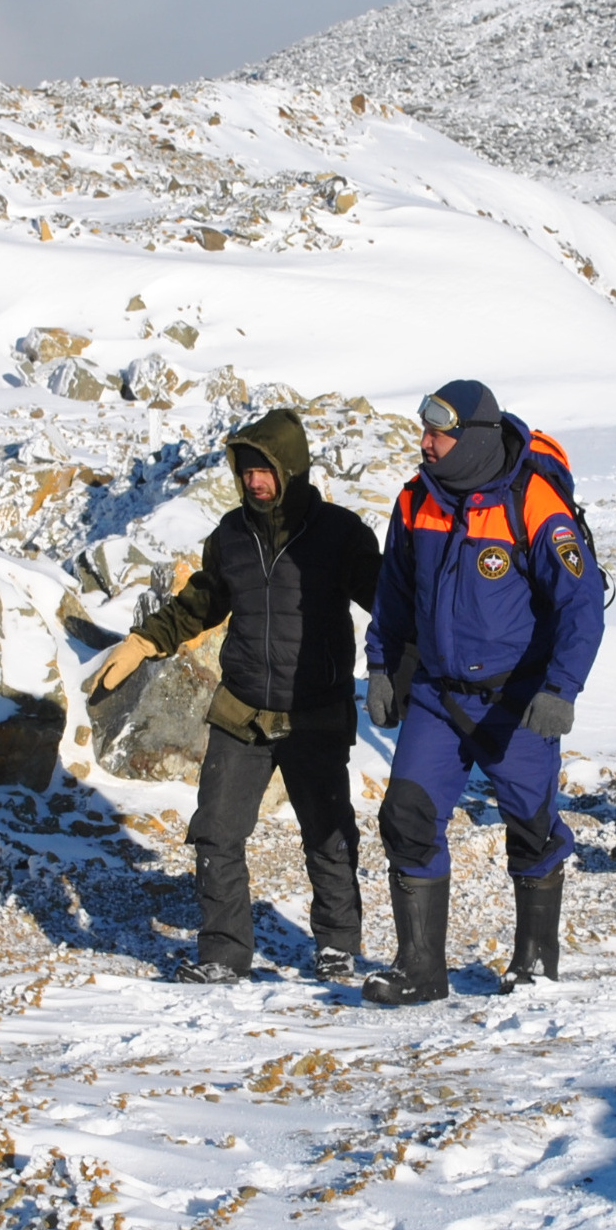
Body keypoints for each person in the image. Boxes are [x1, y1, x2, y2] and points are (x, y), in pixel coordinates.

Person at [88, 407, 382, 983]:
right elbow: (202, 601)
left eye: (264, 470)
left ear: (291, 469)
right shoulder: (231, 536)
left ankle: (338, 947)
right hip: (242, 709)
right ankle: (223, 955)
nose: (253, 481)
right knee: (216, 832)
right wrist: (145, 642)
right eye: (245, 471)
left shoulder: (340, 536)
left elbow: (391, 605)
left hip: (314, 711)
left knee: (327, 831)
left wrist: (412, 661)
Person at [361, 380, 603, 1003]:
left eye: (437, 433)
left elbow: (580, 604)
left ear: (471, 438)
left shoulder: (533, 502)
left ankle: (534, 965)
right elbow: (392, 594)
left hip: (516, 702)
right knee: (407, 817)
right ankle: (421, 971)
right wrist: (383, 667)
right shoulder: (416, 501)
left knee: (531, 827)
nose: (425, 444)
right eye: (424, 431)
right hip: (438, 699)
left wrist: (561, 689)